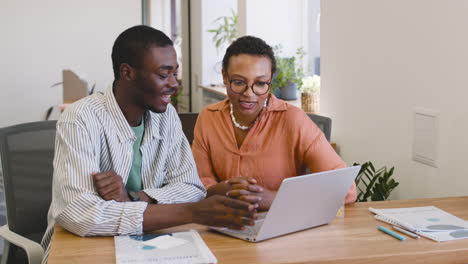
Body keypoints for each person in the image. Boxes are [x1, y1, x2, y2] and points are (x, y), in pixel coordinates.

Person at [41, 26, 256, 262]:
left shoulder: (167, 116)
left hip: (154, 243)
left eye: (175, 73)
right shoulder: (80, 118)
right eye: (164, 75)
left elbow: (191, 188)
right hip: (81, 249)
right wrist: (191, 212)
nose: (174, 84)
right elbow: (80, 213)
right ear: (127, 72)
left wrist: (134, 197)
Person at [192, 36, 357, 211]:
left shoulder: (293, 120)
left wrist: (274, 199)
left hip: (282, 227)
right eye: (239, 82)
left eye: (261, 83)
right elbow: (198, 183)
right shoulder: (208, 118)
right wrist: (221, 192)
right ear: (225, 76)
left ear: (271, 80)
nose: (249, 93)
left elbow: (346, 190)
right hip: (223, 225)